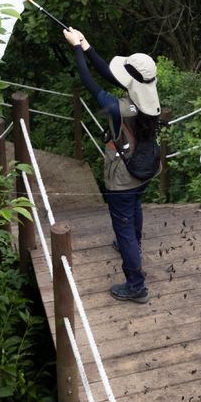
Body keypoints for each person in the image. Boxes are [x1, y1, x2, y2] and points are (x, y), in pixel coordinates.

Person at [63, 26, 160, 305]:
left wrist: (74, 49)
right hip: (144, 170)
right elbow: (111, 75)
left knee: (124, 227)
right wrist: (85, 44)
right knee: (134, 209)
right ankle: (133, 244)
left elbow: (89, 82)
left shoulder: (118, 109)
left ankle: (136, 286)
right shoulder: (149, 99)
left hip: (122, 179)